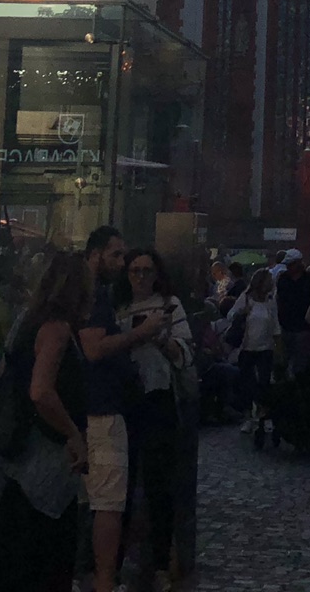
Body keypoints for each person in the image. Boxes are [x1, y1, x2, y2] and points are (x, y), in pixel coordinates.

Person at [0, 250, 90, 592]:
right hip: (45, 452)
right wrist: (72, 433)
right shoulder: (56, 328)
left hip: (23, 447)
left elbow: (6, 373)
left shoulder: (27, 319)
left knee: (9, 548)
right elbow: (41, 391)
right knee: (39, 551)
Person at [78, 225, 164, 592]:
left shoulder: (93, 295)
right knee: (108, 501)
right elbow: (94, 348)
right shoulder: (95, 295)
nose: (123, 262)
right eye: (117, 255)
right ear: (96, 254)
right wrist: (140, 335)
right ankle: (103, 579)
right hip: (102, 407)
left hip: (97, 405)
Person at [120, 248, 192, 588]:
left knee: (159, 484)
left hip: (157, 397)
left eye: (147, 271)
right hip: (122, 400)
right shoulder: (116, 306)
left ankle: (162, 561)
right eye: (134, 271)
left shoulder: (171, 305)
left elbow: (185, 354)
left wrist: (160, 337)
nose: (140, 277)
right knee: (120, 483)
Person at [229, 269, 280, 442]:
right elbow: (230, 315)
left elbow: (276, 324)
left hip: (265, 348)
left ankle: (263, 415)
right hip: (247, 348)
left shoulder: (270, 301)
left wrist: (278, 346)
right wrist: (242, 313)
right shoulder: (245, 298)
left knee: (264, 383)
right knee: (247, 384)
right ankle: (248, 417)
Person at [273, 249, 310, 376]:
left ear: (298, 263)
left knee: (300, 363)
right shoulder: (283, 278)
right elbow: (278, 300)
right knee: (282, 361)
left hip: (303, 328)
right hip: (285, 326)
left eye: (291, 264)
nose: (288, 267)